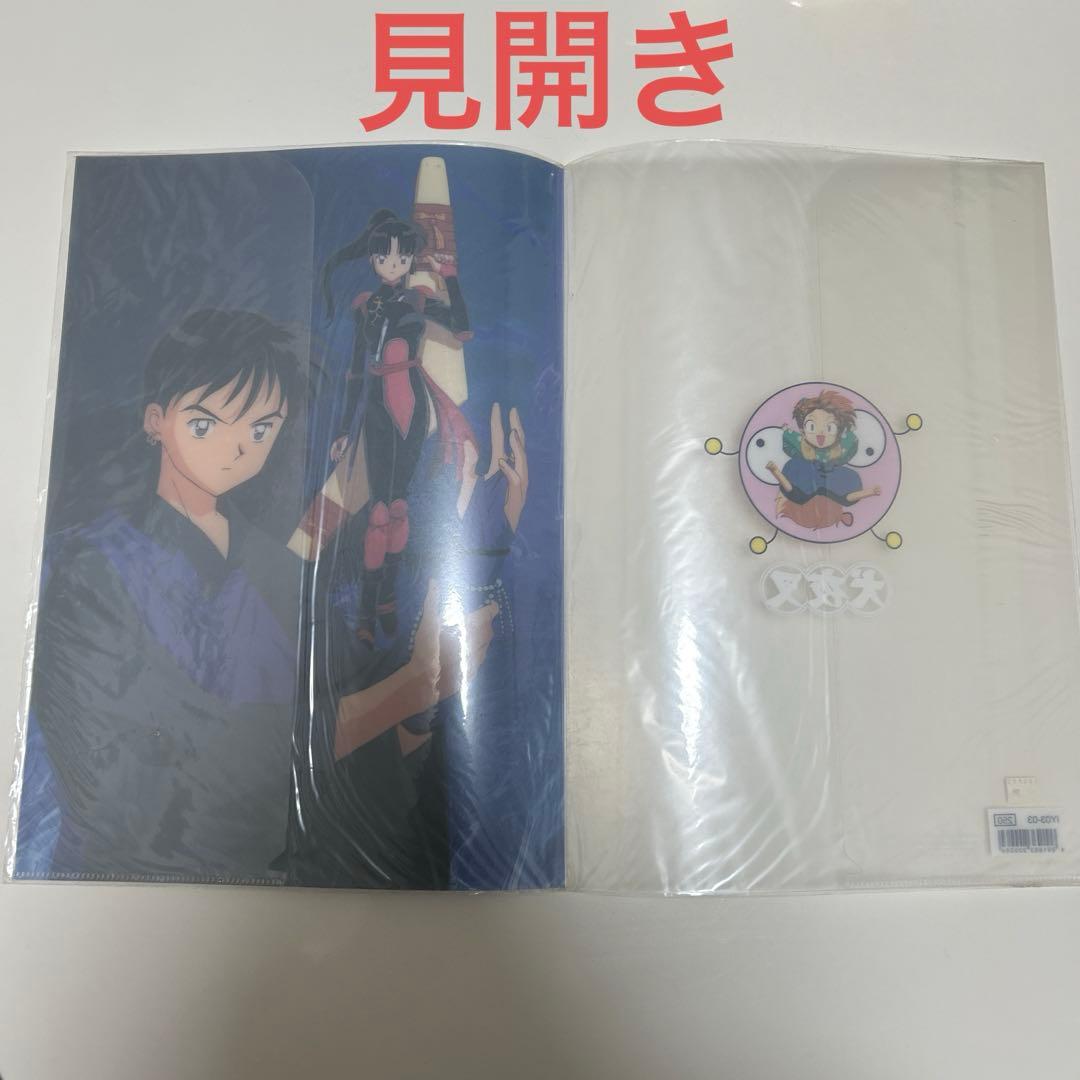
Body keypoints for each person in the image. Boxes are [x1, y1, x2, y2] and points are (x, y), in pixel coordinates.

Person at [28, 309, 499, 884]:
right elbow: (158, 777)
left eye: (260, 429)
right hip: (141, 891)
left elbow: (358, 740)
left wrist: (418, 710)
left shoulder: (279, 569)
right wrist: (407, 690)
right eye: (205, 424)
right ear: (155, 420)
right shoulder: (91, 571)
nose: (235, 450)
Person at [300, 208, 475, 642]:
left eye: (401, 257)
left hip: (413, 410)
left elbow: (463, 330)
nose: (393, 264)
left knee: (399, 507)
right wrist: (345, 429)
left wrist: (450, 276)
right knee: (379, 512)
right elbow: (355, 372)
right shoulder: (365, 306)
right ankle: (366, 609)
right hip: (378, 411)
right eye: (384, 257)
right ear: (373, 259)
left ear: (410, 259)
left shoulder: (418, 300)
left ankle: (387, 600)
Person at [766, 389, 881, 530]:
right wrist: (775, 471)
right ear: (802, 431)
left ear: (839, 433)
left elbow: (847, 497)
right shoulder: (796, 465)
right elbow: (792, 491)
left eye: (830, 427)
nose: (820, 433)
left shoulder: (846, 475)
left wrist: (870, 492)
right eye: (812, 426)